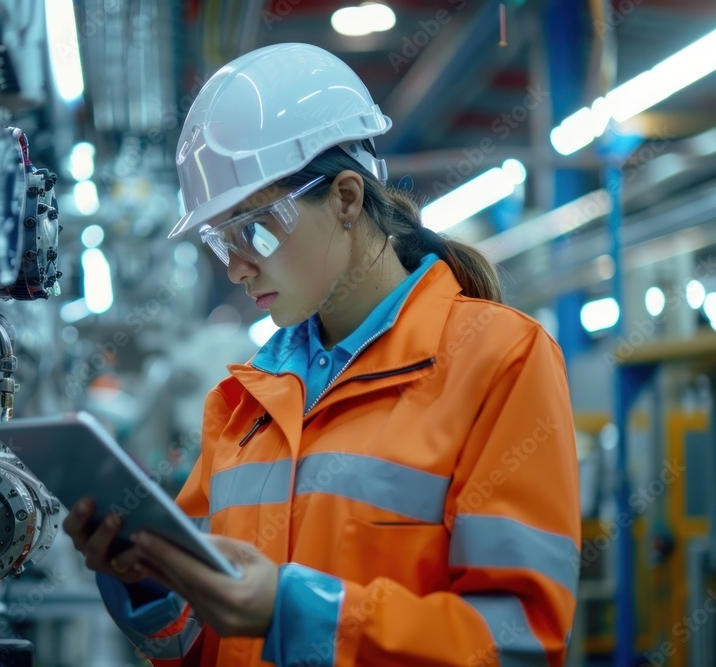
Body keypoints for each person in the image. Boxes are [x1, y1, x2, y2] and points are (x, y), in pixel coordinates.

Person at [63, 42, 580, 667]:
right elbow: (197, 641)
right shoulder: (241, 404)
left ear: (345, 198)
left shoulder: (499, 361)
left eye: (252, 229)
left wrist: (292, 613)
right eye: (218, 240)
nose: (235, 266)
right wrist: (141, 579)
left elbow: (516, 645)